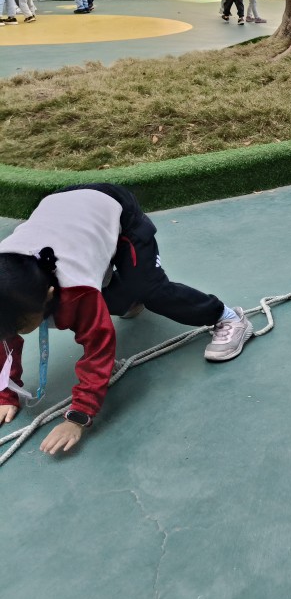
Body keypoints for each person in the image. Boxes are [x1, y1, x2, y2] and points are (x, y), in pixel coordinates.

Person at [0, 184, 253, 455]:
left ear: (50, 294)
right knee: (109, 301)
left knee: (149, 289)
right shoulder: (8, 290)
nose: (17, 332)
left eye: (21, 324)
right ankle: (128, 300)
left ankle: (228, 317)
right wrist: (5, 393)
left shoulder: (77, 290)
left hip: (111, 207)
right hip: (66, 216)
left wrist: (79, 416)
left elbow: (98, 347)